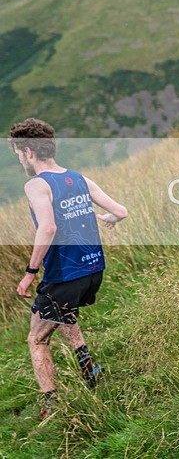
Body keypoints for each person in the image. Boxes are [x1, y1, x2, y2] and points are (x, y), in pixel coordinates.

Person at [9, 118, 129, 417]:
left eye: (18, 154)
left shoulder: (36, 185)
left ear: (28, 152)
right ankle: (90, 367)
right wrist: (109, 219)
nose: (20, 160)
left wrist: (29, 273)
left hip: (64, 274)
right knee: (62, 311)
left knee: (36, 338)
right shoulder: (79, 178)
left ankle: (51, 403)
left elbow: (47, 228)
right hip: (93, 270)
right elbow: (120, 211)